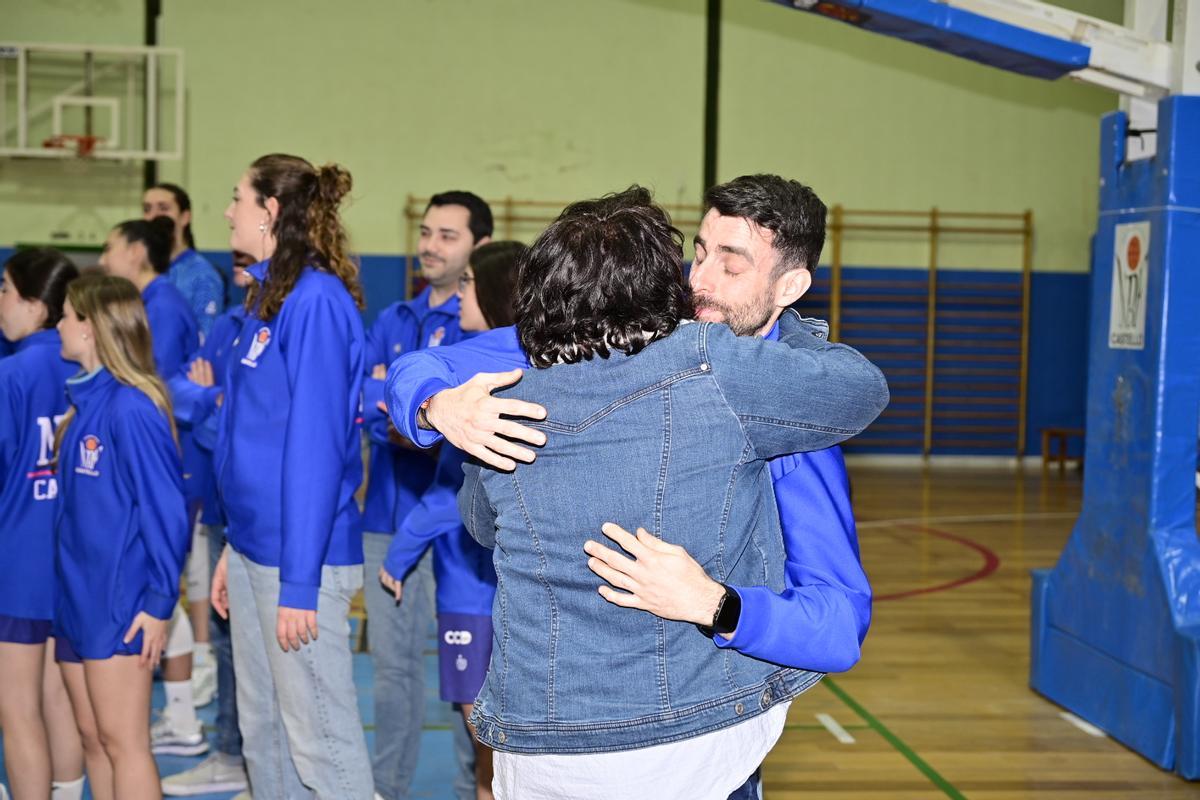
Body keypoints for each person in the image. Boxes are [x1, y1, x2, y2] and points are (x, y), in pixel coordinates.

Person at [385, 175, 877, 798]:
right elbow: (429, 364)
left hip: (706, 732)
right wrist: (435, 407)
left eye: (732, 264)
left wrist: (720, 606)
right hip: (573, 728)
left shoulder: (802, 412)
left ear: (790, 286)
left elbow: (836, 623)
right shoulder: (623, 333)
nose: (700, 281)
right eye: (698, 251)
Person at [208, 153, 373, 799]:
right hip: (256, 551)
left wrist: (300, 583)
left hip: (300, 562)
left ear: (269, 212)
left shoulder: (317, 303)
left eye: (237, 198)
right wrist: (232, 544)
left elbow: (314, 451)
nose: (228, 211)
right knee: (267, 734)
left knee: (322, 746)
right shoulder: (267, 296)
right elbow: (251, 439)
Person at [380, 240, 526, 800]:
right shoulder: (540, 361)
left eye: (468, 283)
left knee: (485, 731)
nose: (457, 293)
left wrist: (398, 555)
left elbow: (448, 497)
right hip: (517, 588)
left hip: (471, 589)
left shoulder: (479, 368)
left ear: (491, 292)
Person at [361, 191, 491, 800]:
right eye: (426, 232)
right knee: (391, 674)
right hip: (388, 516)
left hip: (465, 540)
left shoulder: (481, 331)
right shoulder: (393, 320)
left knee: (475, 685)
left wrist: (410, 412)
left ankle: (479, 790)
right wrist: (418, 418)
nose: (430, 245)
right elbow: (364, 406)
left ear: (478, 249)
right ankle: (387, 788)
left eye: (447, 235)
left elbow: (403, 410)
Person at [54, 272, 191, 800]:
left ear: (90, 328)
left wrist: (159, 603)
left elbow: (167, 514)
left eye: (67, 315)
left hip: (119, 601)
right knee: (94, 737)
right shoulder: (85, 404)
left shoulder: (131, 408)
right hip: (77, 598)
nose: (59, 324)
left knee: (124, 741)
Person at [99, 217, 207, 756]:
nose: (101, 260)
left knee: (163, 590)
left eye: (109, 248)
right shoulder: (156, 300)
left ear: (138, 252)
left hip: (170, 470)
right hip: (167, 466)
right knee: (167, 591)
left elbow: (156, 390)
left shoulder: (159, 306)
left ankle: (183, 717)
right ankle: (181, 714)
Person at [159, 252, 256, 798]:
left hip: (255, 516)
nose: (244, 267)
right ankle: (231, 753)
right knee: (226, 643)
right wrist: (211, 398)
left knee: (260, 650)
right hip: (222, 505)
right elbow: (181, 389)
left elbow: (241, 421)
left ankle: (254, 762)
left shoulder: (292, 321)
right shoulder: (226, 325)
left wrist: (210, 398)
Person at [0, 249, 85, 800]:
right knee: (60, 698)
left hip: (18, 563)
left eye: (5, 291)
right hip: (73, 560)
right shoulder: (87, 366)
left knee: (16, 707)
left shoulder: (11, 374)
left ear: (34, 305)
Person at [143, 183, 225, 339]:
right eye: (147, 209)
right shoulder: (144, 270)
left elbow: (204, 339)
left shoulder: (202, 276)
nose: (153, 216)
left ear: (185, 217)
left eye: (163, 208)